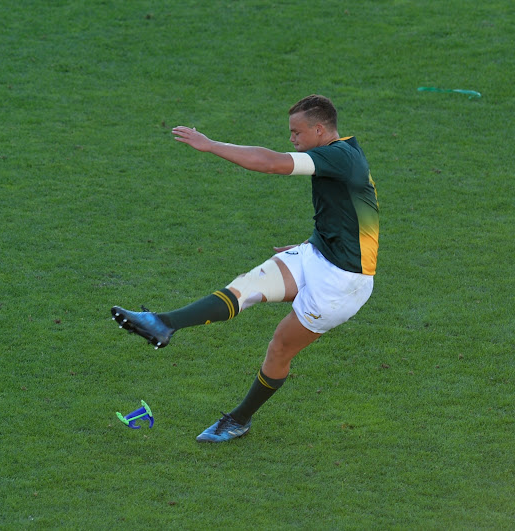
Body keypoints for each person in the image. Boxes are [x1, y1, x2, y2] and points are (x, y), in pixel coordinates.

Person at [111, 95, 379, 442]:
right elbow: (348, 213)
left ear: (319, 129)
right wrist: (313, 243)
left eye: (297, 133)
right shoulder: (338, 155)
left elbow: (269, 163)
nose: (292, 140)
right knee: (246, 287)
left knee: (280, 348)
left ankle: (240, 419)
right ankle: (163, 324)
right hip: (318, 255)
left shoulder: (341, 157)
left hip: (344, 282)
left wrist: (210, 146)